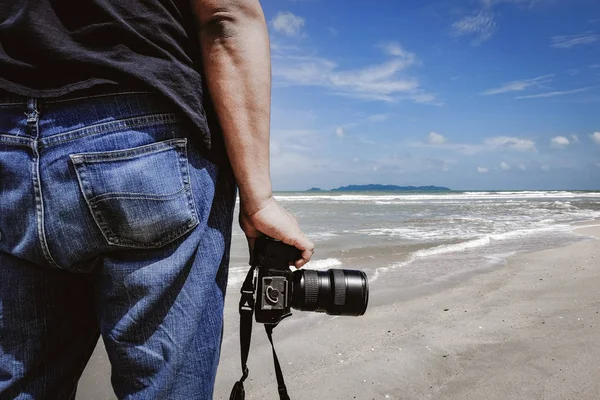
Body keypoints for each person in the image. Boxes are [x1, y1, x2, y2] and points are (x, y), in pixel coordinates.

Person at [0, 0, 314, 398]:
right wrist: (260, 200)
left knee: (19, 384)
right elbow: (226, 15)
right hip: (143, 128)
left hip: (9, 138)